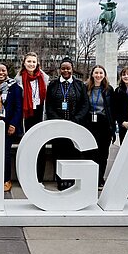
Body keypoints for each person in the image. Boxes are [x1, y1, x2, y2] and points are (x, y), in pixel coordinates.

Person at [45, 57, 89, 190]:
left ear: (72, 69)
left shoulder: (80, 85)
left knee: (73, 153)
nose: (65, 70)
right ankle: (60, 180)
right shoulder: (53, 84)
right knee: (58, 153)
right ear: (60, 69)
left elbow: (85, 105)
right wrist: (57, 120)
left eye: (68, 68)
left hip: (74, 126)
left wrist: (75, 120)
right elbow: (49, 105)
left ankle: (71, 180)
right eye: (63, 68)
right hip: (57, 126)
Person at [0, 62, 22, 192]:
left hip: (7, 125)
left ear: (7, 72)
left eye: (3, 70)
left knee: (5, 153)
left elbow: (18, 108)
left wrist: (13, 124)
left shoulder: (15, 88)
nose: (1, 73)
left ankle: (6, 179)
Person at [15, 52, 49, 182]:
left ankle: (39, 178)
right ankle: (26, 177)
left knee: (41, 147)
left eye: (34, 62)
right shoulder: (18, 80)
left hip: (40, 115)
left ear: (37, 64)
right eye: (29, 61)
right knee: (27, 147)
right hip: (26, 117)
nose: (31, 64)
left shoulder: (44, 78)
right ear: (24, 63)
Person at [84, 65, 116, 190]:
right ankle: (89, 178)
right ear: (92, 74)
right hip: (89, 123)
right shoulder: (85, 88)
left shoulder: (108, 89)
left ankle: (100, 178)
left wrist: (113, 127)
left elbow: (113, 109)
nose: (98, 75)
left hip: (104, 123)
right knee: (90, 152)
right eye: (96, 72)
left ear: (104, 75)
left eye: (101, 73)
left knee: (103, 153)